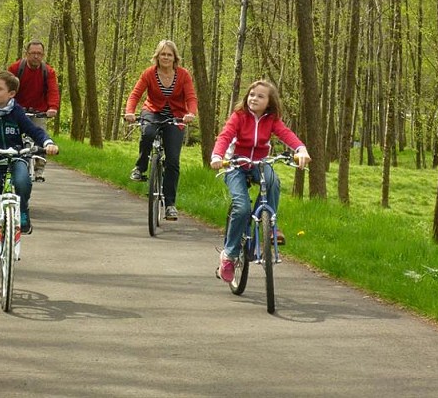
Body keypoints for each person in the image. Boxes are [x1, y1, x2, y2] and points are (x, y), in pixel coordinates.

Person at [210, 80, 310, 283]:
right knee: (242, 207)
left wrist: (301, 149)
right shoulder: (238, 117)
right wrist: (217, 156)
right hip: (235, 163)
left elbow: (286, 135)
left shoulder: (271, 120)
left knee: (273, 181)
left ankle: (268, 225)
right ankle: (228, 255)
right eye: (252, 94)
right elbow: (225, 136)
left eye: (260, 96)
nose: (254, 98)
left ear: (269, 102)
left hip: (259, 163)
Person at [0, 70, 59, 274]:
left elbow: (36, 131)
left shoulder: (17, 112)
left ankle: (22, 211)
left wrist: (48, 143)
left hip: (16, 157)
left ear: (11, 94)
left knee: (23, 181)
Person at [124, 39, 198, 221]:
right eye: (163, 54)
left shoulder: (183, 75)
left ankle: (170, 204)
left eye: (169, 54)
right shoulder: (149, 73)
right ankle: (140, 168)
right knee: (147, 133)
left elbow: (191, 97)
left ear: (175, 58)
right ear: (157, 56)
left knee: (173, 160)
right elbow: (135, 94)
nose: (166, 57)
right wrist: (129, 112)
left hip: (176, 116)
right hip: (152, 112)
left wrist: (191, 113)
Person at [7, 39, 60, 182]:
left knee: (41, 139)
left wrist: (53, 107)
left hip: (39, 111)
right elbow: (7, 88)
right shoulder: (15, 69)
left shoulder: (48, 72)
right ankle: (9, 164)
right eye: (33, 53)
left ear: (43, 55)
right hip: (17, 110)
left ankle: (39, 171)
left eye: (39, 53)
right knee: (12, 136)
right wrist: (7, 105)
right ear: (26, 54)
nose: (36, 56)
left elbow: (53, 90)